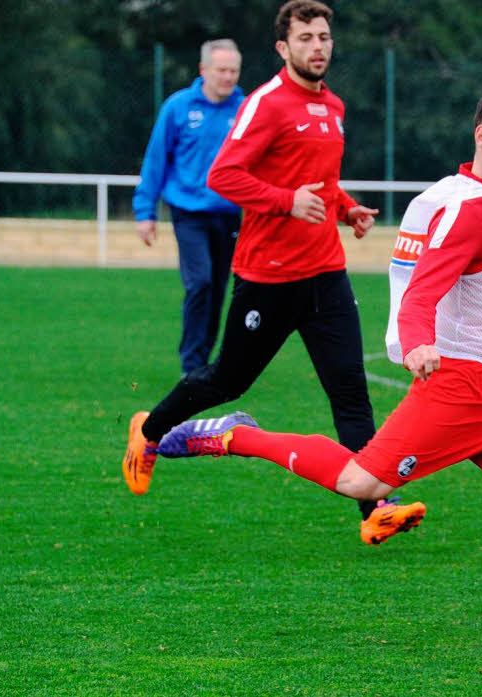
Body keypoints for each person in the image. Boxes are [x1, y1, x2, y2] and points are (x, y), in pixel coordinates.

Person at [158, 84, 482, 655]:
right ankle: (237, 435)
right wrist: (416, 345)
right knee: (363, 482)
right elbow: (422, 291)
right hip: (465, 387)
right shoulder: (473, 209)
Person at [122, 0, 422, 545]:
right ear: (283, 48)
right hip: (268, 276)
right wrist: (286, 202)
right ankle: (149, 431)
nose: (318, 46)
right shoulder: (266, 103)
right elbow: (223, 175)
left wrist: (346, 207)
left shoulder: (333, 105)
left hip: (326, 272)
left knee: (350, 391)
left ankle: (375, 508)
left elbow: (321, 181)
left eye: (324, 36)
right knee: (226, 380)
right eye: (305, 37)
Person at [132, 39, 245, 376]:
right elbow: (156, 159)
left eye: (234, 71)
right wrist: (144, 211)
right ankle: (191, 364)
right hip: (188, 213)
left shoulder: (246, 109)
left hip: (229, 214)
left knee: (218, 288)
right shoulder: (178, 107)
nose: (228, 77)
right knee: (200, 283)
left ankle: (205, 361)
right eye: (221, 70)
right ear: (203, 70)